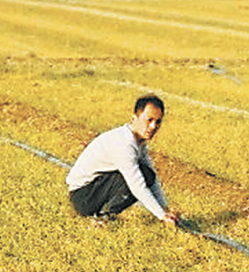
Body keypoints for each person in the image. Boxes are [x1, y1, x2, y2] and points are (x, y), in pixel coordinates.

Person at [66, 95, 181, 226]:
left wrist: (165, 209)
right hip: (83, 197)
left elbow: (151, 178)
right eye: (149, 120)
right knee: (140, 176)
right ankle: (103, 217)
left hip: (92, 189)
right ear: (134, 119)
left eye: (158, 122)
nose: (153, 126)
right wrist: (162, 216)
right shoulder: (124, 144)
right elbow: (137, 186)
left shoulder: (139, 142)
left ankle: (105, 214)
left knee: (147, 173)